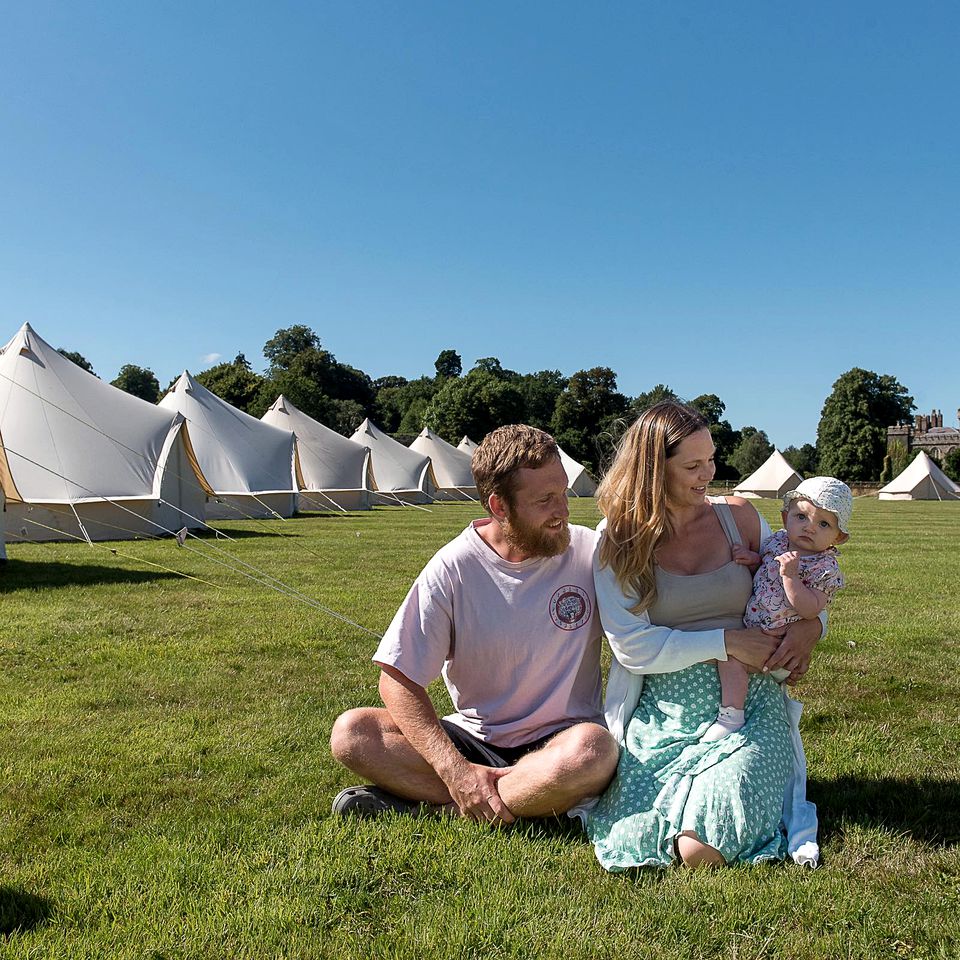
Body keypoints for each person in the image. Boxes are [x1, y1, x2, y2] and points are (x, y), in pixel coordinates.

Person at [329, 424, 620, 824]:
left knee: (594, 751)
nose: (564, 511)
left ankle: (445, 810)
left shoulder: (589, 552)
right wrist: (455, 770)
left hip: (563, 740)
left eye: (564, 493)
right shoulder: (454, 568)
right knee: (353, 733)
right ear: (499, 507)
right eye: (546, 500)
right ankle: (523, 800)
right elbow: (397, 678)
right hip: (475, 740)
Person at [583, 400, 824, 869]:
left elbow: (796, 585)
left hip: (751, 702)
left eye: (711, 460)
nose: (707, 474)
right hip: (665, 708)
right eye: (692, 465)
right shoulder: (619, 539)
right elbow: (632, 646)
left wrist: (813, 627)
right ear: (653, 469)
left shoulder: (742, 519)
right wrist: (726, 642)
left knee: (699, 849)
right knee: (641, 833)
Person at [703, 476, 851, 741]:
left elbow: (810, 610)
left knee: (731, 659)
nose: (810, 528)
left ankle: (731, 716)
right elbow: (767, 565)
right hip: (758, 627)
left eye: (824, 524)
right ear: (785, 519)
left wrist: (791, 577)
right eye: (802, 517)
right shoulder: (778, 543)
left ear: (837, 538)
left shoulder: (823, 569)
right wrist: (754, 560)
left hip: (779, 643)